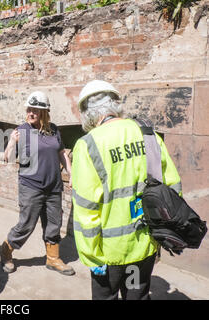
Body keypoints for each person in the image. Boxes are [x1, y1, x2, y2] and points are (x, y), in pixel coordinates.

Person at [71, 80, 182, 300]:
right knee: (137, 295)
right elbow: (173, 189)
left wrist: (92, 255)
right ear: (115, 104)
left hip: (109, 253)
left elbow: (86, 210)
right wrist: (162, 235)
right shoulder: (148, 134)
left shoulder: (88, 144)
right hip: (144, 245)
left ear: (86, 113)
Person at [0, 91, 75, 276]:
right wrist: (11, 142)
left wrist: (71, 172)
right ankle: (6, 250)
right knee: (26, 224)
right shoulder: (21, 131)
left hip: (53, 186)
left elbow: (62, 153)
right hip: (31, 187)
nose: (31, 113)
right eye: (29, 109)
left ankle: (53, 258)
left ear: (45, 112)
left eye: (35, 110)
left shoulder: (54, 130)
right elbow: (6, 158)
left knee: (54, 223)